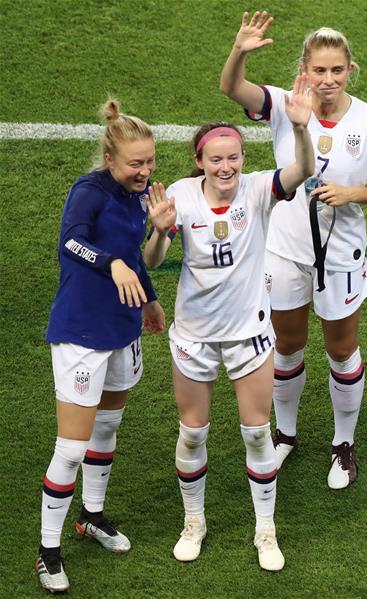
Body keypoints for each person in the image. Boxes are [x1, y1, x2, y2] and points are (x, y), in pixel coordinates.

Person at [219, 11, 367, 488]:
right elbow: (231, 88)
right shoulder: (284, 105)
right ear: (304, 69)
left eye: (337, 70)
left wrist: (351, 193)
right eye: (319, 70)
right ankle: (286, 434)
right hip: (283, 249)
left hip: (340, 255)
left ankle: (343, 444)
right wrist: (239, 50)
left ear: (350, 70)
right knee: (287, 345)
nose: (328, 79)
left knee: (341, 351)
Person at [143, 75, 314, 570]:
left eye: (233, 157)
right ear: (199, 161)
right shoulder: (180, 195)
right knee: (192, 433)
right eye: (216, 159)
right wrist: (159, 233)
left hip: (249, 334)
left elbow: (303, 169)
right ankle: (193, 521)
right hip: (194, 336)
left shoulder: (259, 188)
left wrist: (300, 128)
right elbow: (152, 262)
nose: (226, 167)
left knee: (258, 435)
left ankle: (266, 529)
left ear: (243, 157)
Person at [37, 99, 167, 593]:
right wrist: (110, 263)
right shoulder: (88, 191)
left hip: (123, 327)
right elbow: (70, 243)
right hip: (82, 334)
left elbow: (139, 255)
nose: (145, 171)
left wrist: (149, 298)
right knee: (72, 447)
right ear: (110, 159)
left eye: (150, 161)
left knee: (107, 428)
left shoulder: (141, 195)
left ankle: (90, 516)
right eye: (135, 163)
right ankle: (48, 552)